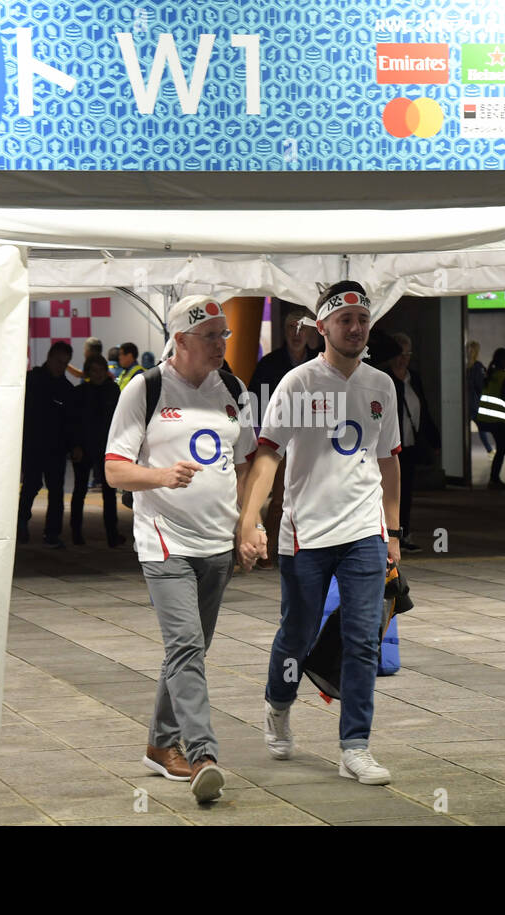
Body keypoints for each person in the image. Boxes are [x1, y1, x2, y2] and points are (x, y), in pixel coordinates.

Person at [238, 280, 402, 786]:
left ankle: (355, 745)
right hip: (304, 534)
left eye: (362, 319)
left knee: (362, 640)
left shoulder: (381, 386)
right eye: (344, 320)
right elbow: (267, 453)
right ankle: (278, 705)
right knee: (298, 632)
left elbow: (389, 462)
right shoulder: (297, 384)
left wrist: (392, 531)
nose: (355, 328)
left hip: (363, 532)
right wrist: (250, 520)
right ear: (323, 326)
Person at [104, 296, 259, 803]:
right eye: (212, 336)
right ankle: (202, 755)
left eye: (224, 335)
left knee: (188, 650)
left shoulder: (234, 389)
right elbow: (113, 470)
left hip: (217, 542)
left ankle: (157, 744)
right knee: (187, 647)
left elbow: (247, 465)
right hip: (164, 541)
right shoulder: (145, 389)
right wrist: (160, 476)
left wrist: (248, 526)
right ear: (183, 340)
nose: (222, 344)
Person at [247, 301, 319, 570]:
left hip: (312, 441)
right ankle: (267, 552)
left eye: (302, 327)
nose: (297, 333)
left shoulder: (320, 361)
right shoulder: (270, 364)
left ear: (312, 332)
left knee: (310, 498)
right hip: (279, 441)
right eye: (291, 327)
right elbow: (254, 401)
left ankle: (308, 550)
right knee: (278, 499)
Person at [386, 332, 440, 553]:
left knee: (406, 492)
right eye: (399, 354)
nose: (403, 358)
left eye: (407, 354)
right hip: (388, 447)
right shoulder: (384, 378)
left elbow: (423, 410)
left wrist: (434, 439)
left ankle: (403, 534)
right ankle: (388, 534)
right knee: (389, 492)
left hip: (409, 444)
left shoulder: (413, 378)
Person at [18, 341, 77, 547]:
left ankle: (51, 533)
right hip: (34, 445)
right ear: (50, 357)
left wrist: (73, 446)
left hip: (55, 448)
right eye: (59, 362)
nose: (61, 367)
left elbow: (70, 422)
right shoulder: (32, 381)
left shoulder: (65, 389)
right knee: (31, 486)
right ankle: (21, 523)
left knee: (55, 492)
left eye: (65, 363)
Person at [69, 354, 125, 548]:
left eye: (101, 370)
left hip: (106, 448)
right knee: (79, 491)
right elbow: (74, 423)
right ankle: (76, 532)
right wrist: (75, 446)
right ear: (87, 373)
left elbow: (119, 421)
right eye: (94, 370)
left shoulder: (113, 391)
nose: (98, 374)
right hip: (84, 448)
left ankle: (112, 534)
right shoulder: (80, 392)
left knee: (109, 494)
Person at [477, 347, 505, 490]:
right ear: (503, 360)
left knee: (501, 448)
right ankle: (494, 479)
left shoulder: (491, 375)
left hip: (486, 418)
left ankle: (494, 479)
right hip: (498, 419)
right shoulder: (503, 376)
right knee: (502, 448)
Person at [467, 341, 494, 454]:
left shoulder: (462, 365)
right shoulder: (478, 366)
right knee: (482, 427)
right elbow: (481, 386)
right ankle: (490, 451)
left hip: (464, 404)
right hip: (474, 403)